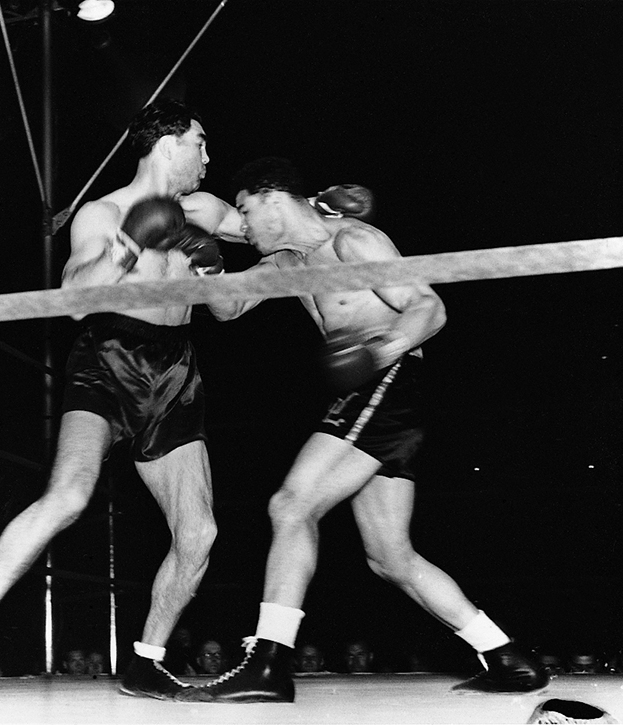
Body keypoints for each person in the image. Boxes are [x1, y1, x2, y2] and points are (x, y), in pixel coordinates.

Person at [176, 157, 547, 703]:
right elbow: (230, 308)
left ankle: (269, 664)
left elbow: (428, 307)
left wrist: (377, 352)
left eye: (248, 211)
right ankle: (508, 658)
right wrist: (203, 265)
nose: (244, 225)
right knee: (390, 555)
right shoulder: (288, 262)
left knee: (292, 505)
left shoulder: (353, 240)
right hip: (371, 395)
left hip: (386, 381)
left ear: (274, 197)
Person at [0, 99, 246, 706]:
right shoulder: (103, 212)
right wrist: (129, 244)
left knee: (198, 532)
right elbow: (73, 298)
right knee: (68, 496)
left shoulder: (206, 211)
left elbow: (258, 260)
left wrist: (320, 225)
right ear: (167, 142)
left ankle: (146, 662)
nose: (208, 156)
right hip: (109, 357)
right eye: (200, 142)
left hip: (175, 367)